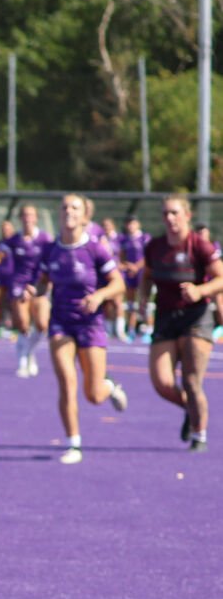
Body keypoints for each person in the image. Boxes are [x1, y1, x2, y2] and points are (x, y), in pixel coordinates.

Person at [25, 193, 128, 465]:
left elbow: (118, 284)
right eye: (64, 207)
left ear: (84, 216)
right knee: (67, 382)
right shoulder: (51, 249)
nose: (68, 211)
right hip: (61, 322)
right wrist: (34, 290)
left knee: (93, 394)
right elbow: (44, 283)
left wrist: (99, 296)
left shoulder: (96, 249)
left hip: (90, 323)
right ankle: (73, 443)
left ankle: (109, 387)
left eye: (75, 207)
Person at [141, 195, 221, 452]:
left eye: (175, 213)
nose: (169, 218)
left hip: (195, 317)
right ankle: (191, 409)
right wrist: (143, 300)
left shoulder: (199, 246)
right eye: (165, 214)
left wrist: (200, 290)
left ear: (187, 215)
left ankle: (200, 434)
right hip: (166, 317)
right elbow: (147, 276)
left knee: (191, 379)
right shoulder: (155, 246)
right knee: (162, 383)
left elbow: (220, 278)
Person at [1, 205, 51, 376]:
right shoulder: (14, 240)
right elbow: (1, 258)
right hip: (19, 285)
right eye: (25, 215)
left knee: (42, 324)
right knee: (22, 324)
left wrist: (37, 286)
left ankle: (29, 351)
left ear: (36, 218)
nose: (28, 218)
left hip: (39, 285)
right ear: (21, 218)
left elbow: (50, 264)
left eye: (31, 215)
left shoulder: (45, 239)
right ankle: (22, 362)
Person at [116, 215, 148, 340]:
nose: (130, 226)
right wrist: (126, 265)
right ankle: (131, 329)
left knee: (144, 301)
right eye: (128, 223)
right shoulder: (124, 240)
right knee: (130, 304)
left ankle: (147, 328)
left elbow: (147, 256)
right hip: (129, 274)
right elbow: (121, 256)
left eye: (133, 223)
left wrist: (137, 266)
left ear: (138, 224)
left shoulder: (144, 238)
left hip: (141, 273)